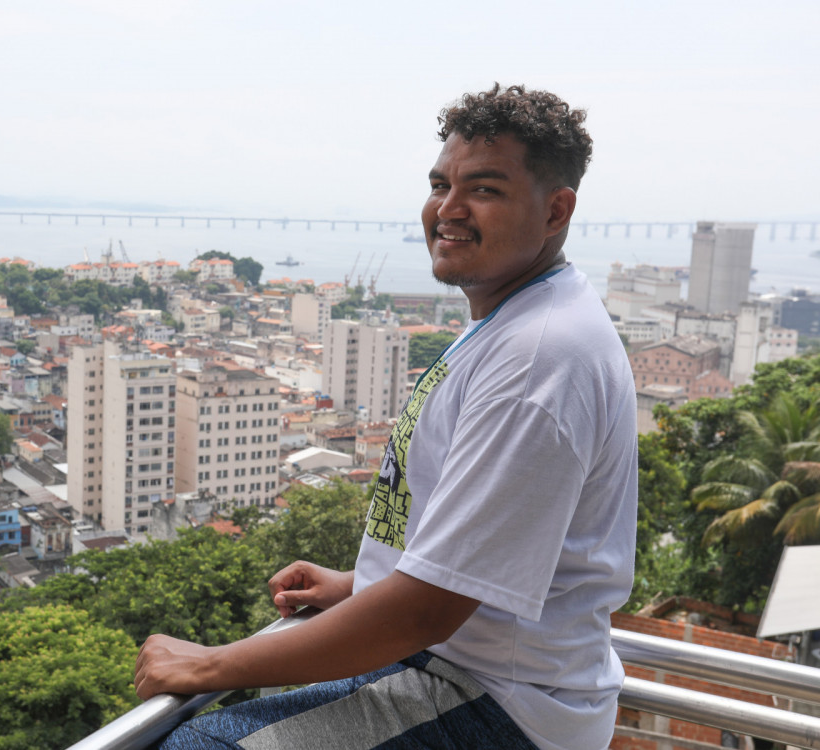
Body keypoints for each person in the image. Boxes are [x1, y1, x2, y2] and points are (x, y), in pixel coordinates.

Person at [134, 83, 638, 750]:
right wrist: (360, 584)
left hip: (497, 701)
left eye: (483, 189)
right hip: (471, 669)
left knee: (195, 746)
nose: (448, 209)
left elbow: (427, 612)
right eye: (439, 185)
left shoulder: (537, 356)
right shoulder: (517, 318)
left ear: (556, 210)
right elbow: (476, 549)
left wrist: (209, 663)